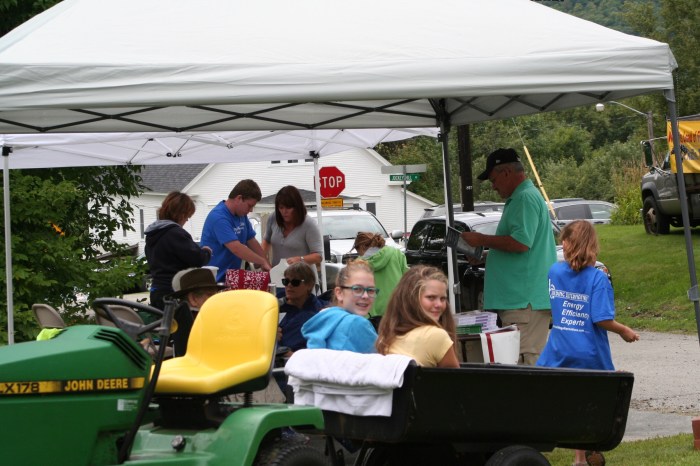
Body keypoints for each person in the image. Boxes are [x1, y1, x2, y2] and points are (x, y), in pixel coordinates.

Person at [537, 220, 639, 466]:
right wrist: (624, 330)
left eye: (563, 240)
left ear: (567, 244)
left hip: (559, 349)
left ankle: (579, 455)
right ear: (592, 245)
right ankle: (585, 454)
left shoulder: (554, 272)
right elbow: (601, 318)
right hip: (588, 353)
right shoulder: (598, 279)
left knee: (565, 399)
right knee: (591, 404)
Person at [461, 148, 557, 366]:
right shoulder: (523, 197)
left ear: (506, 172)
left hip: (523, 303)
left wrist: (481, 239)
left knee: (524, 362)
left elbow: (521, 243)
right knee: (519, 362)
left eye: (494, 180)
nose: (493, 186)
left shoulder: (524, 198)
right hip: (521, 301)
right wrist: (486, 256)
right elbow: (522, 247)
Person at [376, 265, 459, 368]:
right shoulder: (436, 335)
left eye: (443, 299)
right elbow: (456, 377)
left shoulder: (386, 336)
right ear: (411, 299)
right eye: (431, 297)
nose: (439, 304)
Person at [145, 192, 212, 311]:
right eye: (187, 216)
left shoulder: (153, 234)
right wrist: (207, 252)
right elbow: (197, 259)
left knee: (164, 323)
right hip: (173, 293)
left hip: (157, 291)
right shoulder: (175, 234)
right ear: (181, 214)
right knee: (183, 323)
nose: (187, 220)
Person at [201, 179, 271, 283]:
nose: (251, 210)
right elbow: (236, 248)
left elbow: (251, 241)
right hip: (215, 281)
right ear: (239, 198)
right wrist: (261, 261)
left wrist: (267, 264)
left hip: (231, 279)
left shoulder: (241, 215)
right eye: (250, 205)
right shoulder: (219, 217)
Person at [301, 259, 378, 353]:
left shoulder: (326, 319)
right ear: (339, 293)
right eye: (357, 289)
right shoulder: (356, 323)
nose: (365, 296)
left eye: (371, 290)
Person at [168, 267, 226, 356]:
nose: (216, 299)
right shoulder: (197, 320)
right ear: (193, 299)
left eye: (216, 294)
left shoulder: (179, 317)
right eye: (210, 295)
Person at [262, 185, 323, 268]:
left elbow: (318, 256)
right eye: (281, 208)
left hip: (302, 275)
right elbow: (266, 241)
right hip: (277, 274)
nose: (284, 211)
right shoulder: (273, 218)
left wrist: (300, 259)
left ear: (297, 207)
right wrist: (263, 261)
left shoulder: (309, 224)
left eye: (288, 208)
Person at [353, 232, 409, 319]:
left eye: (357, 250)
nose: (358, 254)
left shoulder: (357, 264)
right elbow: (408, 280)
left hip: (368, 315)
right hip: (396, 311)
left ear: (362, 247)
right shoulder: (397, 254)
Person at [277, 262, 328, 354]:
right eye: (286, 281)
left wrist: (272, 337)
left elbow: (284, 349)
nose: (289, 285)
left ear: (309, 285)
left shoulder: (311, 315)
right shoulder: (281, 302)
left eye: (295, 282)